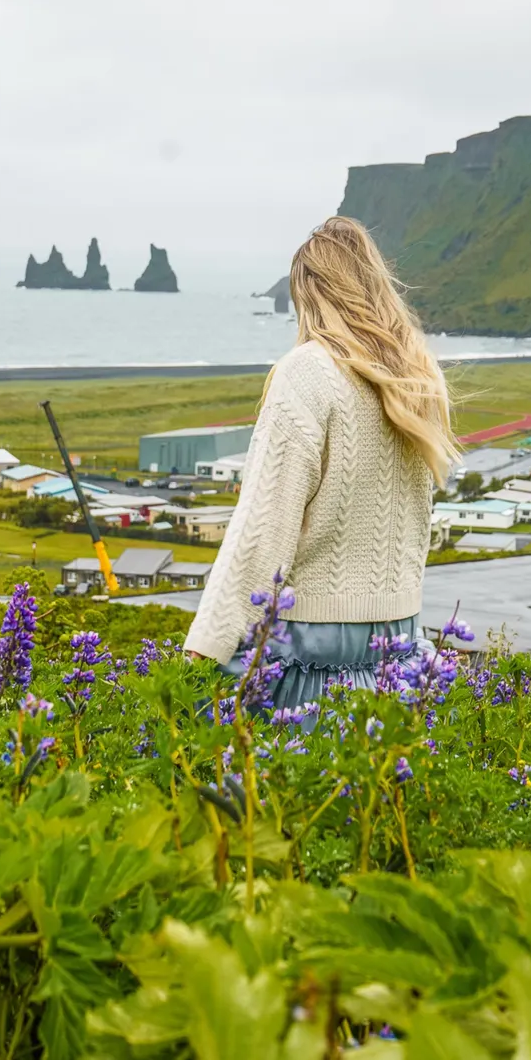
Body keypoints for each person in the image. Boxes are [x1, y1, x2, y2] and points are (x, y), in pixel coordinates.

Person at [184, 216, 459, 707]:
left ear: (308, 295)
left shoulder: (307, 373)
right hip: (400, 655)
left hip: (310, 655)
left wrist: (203, 653)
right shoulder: (418, 376)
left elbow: (263, 533)